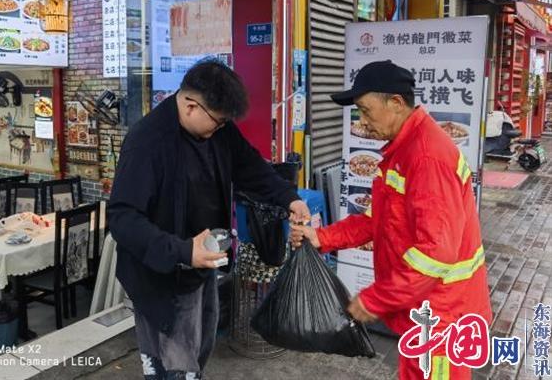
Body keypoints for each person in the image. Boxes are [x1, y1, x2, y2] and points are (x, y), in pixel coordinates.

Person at [109, 60, 311, 379]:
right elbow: (122, 218)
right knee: (170, 365)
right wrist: (182, 251)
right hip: (160, 275)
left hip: (203, 267)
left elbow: (251, 167)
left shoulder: (219, 130)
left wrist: (289, 197)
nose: (220, 129)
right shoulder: (147, 142)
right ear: (191, 106)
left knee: (199, 351)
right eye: (217, 122)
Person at [291, 60, 492, 379]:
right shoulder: (402, 150)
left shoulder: (426, 157)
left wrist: (375, 298)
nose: (361, 120)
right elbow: (376, 220)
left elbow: (435, 253)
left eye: (365, 110)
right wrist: (323, 238)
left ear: (396, 103)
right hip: (425, 308)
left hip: (442, 313)